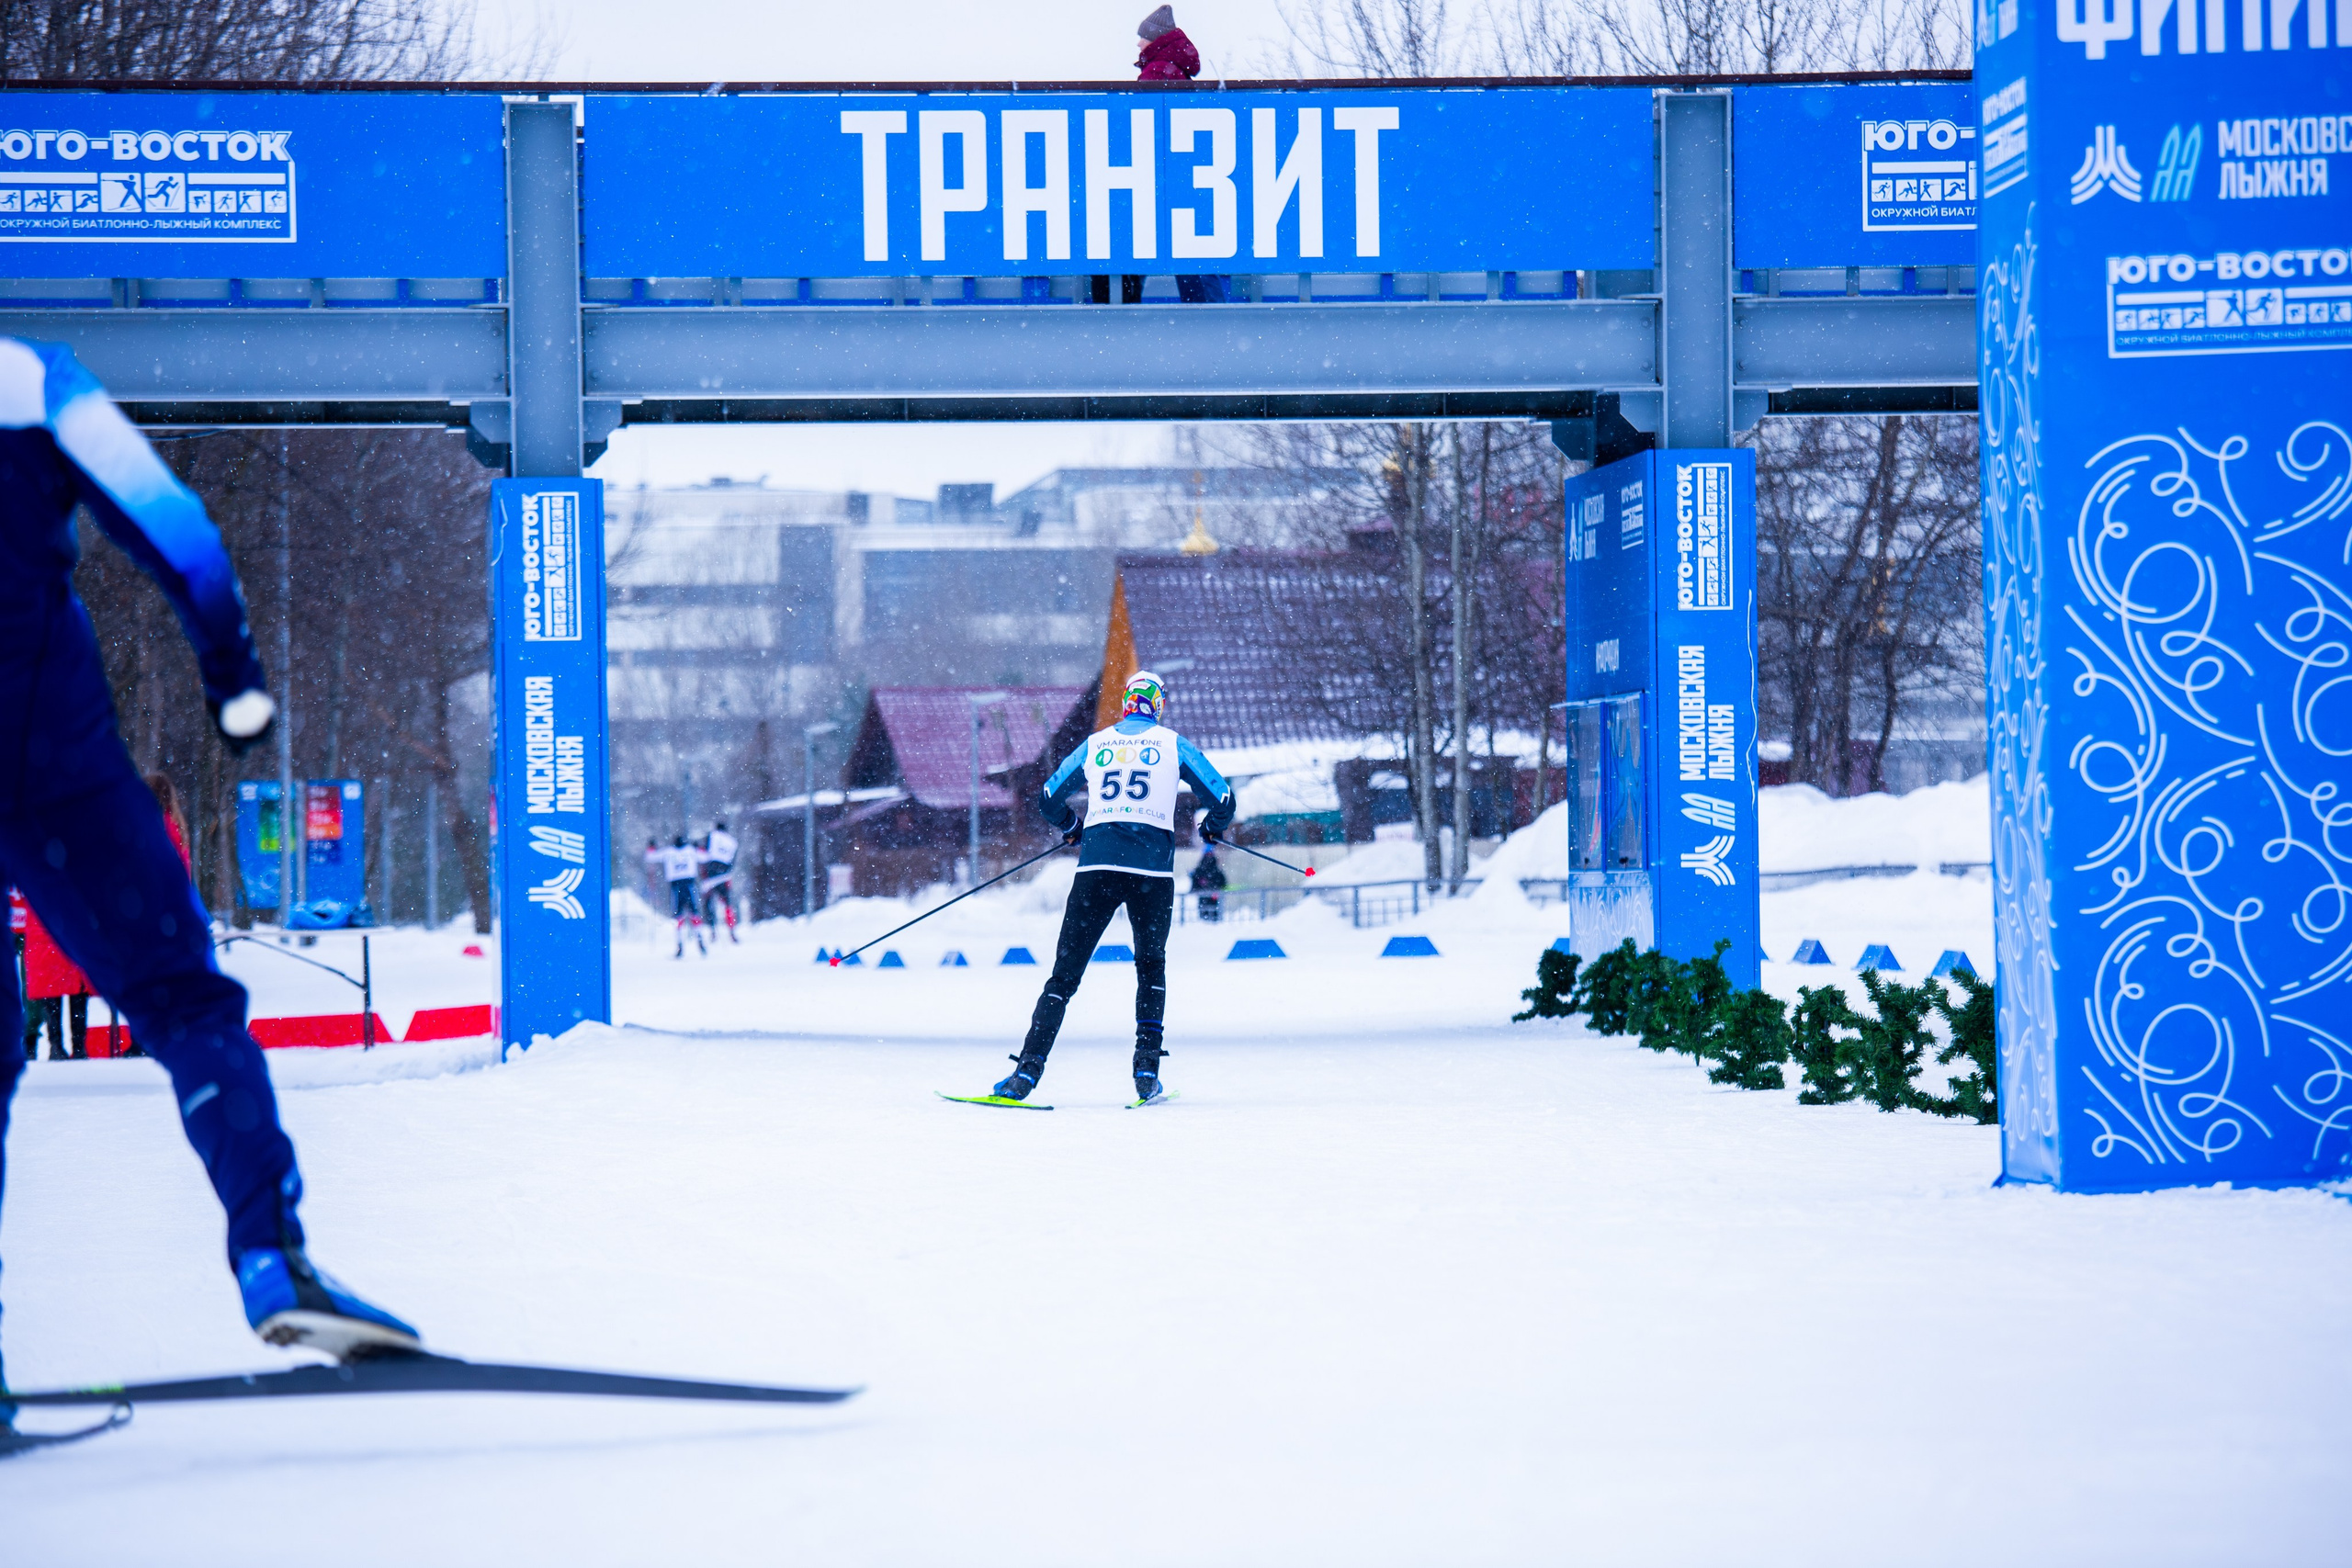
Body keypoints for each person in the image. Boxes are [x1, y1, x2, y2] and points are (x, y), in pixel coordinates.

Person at [0, 337, 418, 1430]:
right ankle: (272, 1257)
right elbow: (178, 529)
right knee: (187, 1004)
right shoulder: (29, 380)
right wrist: (231, 676)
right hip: (50, 756)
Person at [981, 671, 1233, 1106]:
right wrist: (1212, 826)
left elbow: (1048, 798)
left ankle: (1026, 1073)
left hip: (1097, 867)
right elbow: (1223, 798)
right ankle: (1146, 1072)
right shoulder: (1173, 744)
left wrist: (1072, 827)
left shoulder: (1097, 744)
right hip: (1152, 874)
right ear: (1158, 706)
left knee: (1064, 975)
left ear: (1126, 704)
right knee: (1150, 968)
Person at [1092, 8, 1227, 308]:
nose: (1138, 43)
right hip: (1183, 167)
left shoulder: (1158, 71)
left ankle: (1199, 312)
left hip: (1164, 169)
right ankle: (1208, 309)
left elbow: (1144, 123)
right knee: (1190, 247)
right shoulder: (1176, 68)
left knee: (1141, 240)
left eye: (1142, 37)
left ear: (1155, 39)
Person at [662, 833, 706, 958]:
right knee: (690, 915)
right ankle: (695, 943)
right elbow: (704, 857)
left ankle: (686, 944)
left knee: (682, 916)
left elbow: (652, 856)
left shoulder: (670, 851)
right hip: (686, 885)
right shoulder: (690, 850)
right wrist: (699, 848)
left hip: (680, 886)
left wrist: (651, 847)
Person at [700, 820, 740, 942]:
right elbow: (733, 861)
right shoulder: (733, 842)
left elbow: (704, 853)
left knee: (709, 903)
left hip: (711, 874)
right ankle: (732, 931)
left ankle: (713, 931)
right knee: (727, 904)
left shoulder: (712, 836)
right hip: (725, 875)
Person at [1189, 843, 1227, 924]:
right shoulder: (1212, 869)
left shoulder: (1206, 869)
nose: (1208, 857)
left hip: (1211, 896)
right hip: (1207, 896)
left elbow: (1221, 881)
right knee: (1206, 916)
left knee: (1210, 916)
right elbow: (1222, 881)